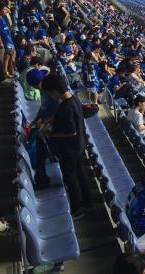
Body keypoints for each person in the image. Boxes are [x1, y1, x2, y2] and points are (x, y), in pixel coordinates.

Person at [39, 73, 92, 219]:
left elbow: (70, 132)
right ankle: (88, 203)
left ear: (55, 91)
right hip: (80, 145)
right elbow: (59, 115)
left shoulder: (66, 106)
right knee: (81, 174)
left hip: (70, 149)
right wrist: (47, 121)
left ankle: (77, 209)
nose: (50, 95)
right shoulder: (73, 99)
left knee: (71, 178)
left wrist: (49, 134)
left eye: (50, 92)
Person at [0, 2, 15, 78]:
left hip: (9, 40)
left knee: (10, 57)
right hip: (6, 41)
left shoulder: (2, 18)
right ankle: (5, 73)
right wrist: (0, 42)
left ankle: (11, 72)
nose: (5, 10)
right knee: (6, 58)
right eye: (3, 9)